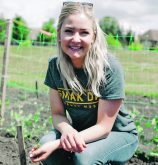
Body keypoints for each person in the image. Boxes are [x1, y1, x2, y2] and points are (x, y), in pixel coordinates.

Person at [29, 2, 138, 165]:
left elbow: (103, 128)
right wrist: (67, 131)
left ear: (93, 36)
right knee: (46, 144)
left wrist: (58, 143)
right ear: (59, 34)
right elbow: (57, 114)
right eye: (69, 31)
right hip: (79, 132)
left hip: (117, 135)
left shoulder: (108, 68)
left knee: (84, 158)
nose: (76, 39)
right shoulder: (55, 66)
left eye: (84, 32)